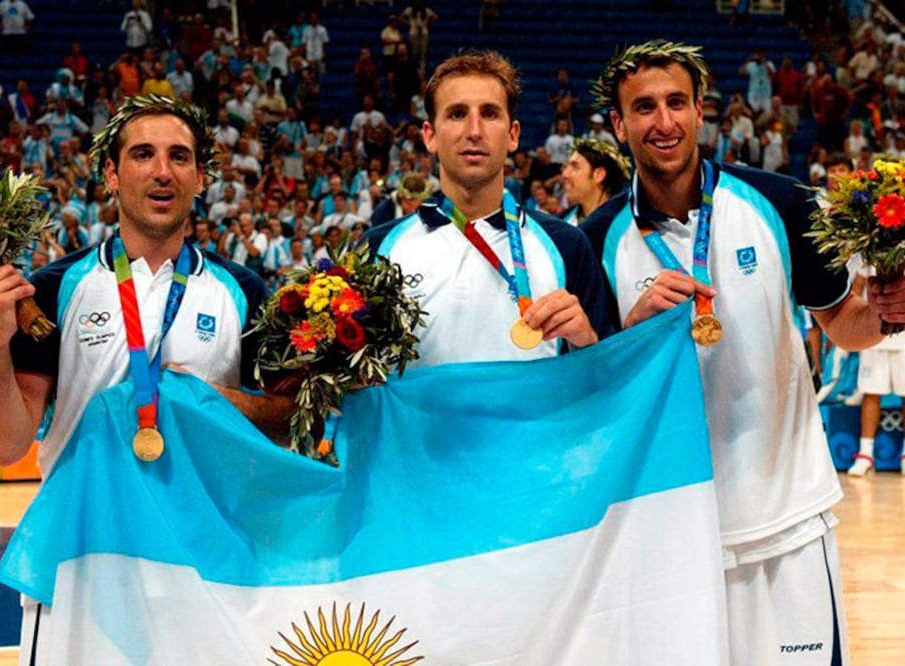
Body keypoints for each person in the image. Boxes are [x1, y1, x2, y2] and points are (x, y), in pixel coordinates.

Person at [581, 39, 905, 666]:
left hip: (787, 524)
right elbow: (591, 390)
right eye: (644, 108)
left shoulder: (781, 203)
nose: (664, 121)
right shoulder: (594, 242)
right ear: (618, 125)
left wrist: (889, 314)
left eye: (677, 102)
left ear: (701, 109)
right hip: (667, 534)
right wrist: (632, 329)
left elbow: (845, 324)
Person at [0, 95, 291, 665]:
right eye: (143, 155)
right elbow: (5, 443)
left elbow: (289, 422)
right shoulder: (55, 288)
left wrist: (215, 404)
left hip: (205, 562)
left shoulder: (243, 291)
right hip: (84, 560)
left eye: (179, 157)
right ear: (112, 175)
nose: (162, 171)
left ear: (200, 178)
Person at [366, 51, 610, 369]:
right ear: (430, 135)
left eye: (490, 114)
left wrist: (586, 342)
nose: (474, 131)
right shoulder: (378, 248)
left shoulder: (567, 245)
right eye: (457, 114)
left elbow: (604, 380)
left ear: (513, 135)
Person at [560, 137, 630, 226]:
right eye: (566, 167)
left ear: (598, 175)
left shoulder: (626, 225)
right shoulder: (560, 223)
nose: (565, 174)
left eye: (575, 167)